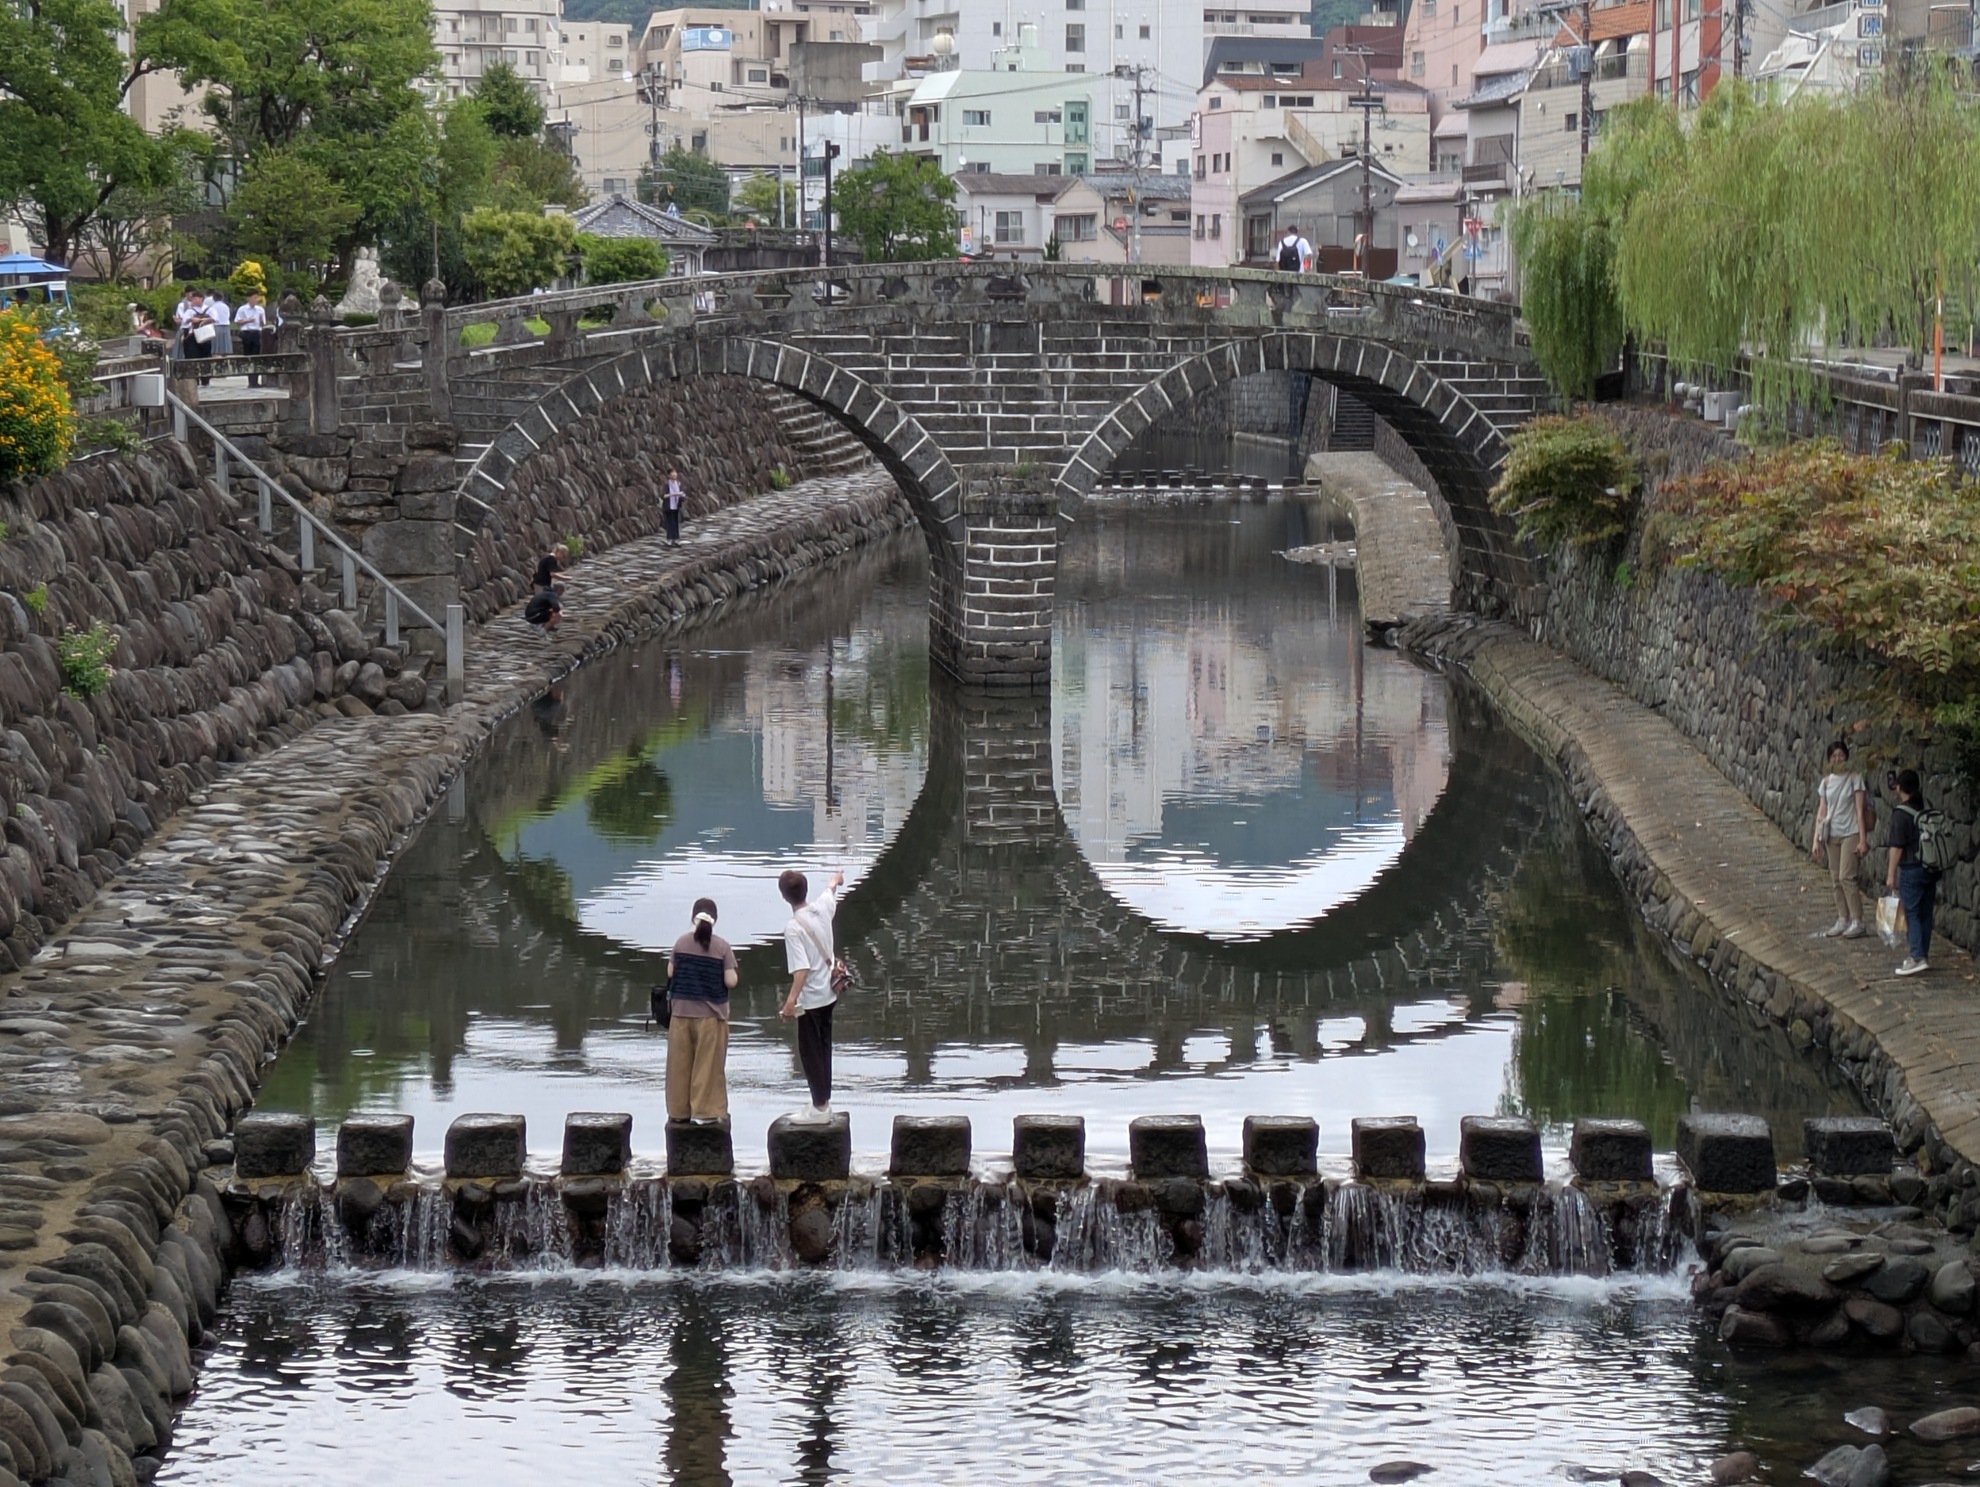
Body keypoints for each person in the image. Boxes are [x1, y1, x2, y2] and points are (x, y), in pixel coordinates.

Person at [779, 866, 844, 1121]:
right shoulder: (822, 908)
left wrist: (790, 1003)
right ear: (805, 891)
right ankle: (823, 1102)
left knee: (810, 1052)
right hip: (830, 992)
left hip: (811, 999)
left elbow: (801, 970)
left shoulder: (794, 928)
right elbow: (831, 889)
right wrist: (836, 878)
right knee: (824, 1047)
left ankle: (819, 1107)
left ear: (784, 897)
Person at [667, 898, 739, 1125]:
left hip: (680, 1014)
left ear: (692, 917)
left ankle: (679, 1111)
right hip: (711, 1016)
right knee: (707, 1067)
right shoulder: (721, 946)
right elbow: (730, 981)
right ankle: (706, 1112)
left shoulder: (680, 943)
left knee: (679, 1065)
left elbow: (671, 973)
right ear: (714, 920)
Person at [1810, 739, 1869, 939]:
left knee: (1846, 876)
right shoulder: (1826, 782)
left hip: (1850, 832)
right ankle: (1842, 918)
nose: (1838, 759)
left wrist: (1863, 839)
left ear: (1846, 756)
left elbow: (1860, 811)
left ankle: (1858, 920)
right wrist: (1815, 840)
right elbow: (1821, 812)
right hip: (1831, 834)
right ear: (1829, 759)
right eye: (1834, 756)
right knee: (1835, 879)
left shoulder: (1855, 779)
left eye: (1841, 755)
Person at [1885, 769, 1937, 976]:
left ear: (1899, 787)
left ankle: (1917, 957)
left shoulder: (1901, 814)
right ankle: (1922, 953)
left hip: (1911, 869)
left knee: (1912, 913)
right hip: (1929, 868)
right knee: (1925, 914)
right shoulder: (1924, 810)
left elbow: (1896, 847)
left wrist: (1891, 875)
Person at [235, 292, 267, 384]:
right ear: (248, 299)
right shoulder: (242, 309)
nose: (255, 300)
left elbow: (263, 324)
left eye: (256, 298)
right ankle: (250, 379)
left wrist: (261, 321)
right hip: (247, 333)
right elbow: (238, 322)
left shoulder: (260, 309)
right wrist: (248, 320)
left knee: (256, 356)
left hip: (257, 333)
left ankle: (255, 380)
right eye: (254, 298)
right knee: (248, 356)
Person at [206, 288, 232, 357]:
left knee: (217, 346)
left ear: (214, 298)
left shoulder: (213, 307)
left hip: (217, 326)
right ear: (222, 298)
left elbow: (211, 317)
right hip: (226, 326)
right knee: (225, 346)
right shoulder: (226, 306)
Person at [663, 469, 686, 547]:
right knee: (670, 523)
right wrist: (672, 494)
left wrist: (682, 496)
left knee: (676, 523)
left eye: (675, 475)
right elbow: (663, 495)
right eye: (672, 475)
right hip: (668, 506)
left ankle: (676, 539)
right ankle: (669, 539)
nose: (674, 476)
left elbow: (683, 494)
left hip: (676, 505)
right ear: (669, 476)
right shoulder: (667, 485)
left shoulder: (678, 484)